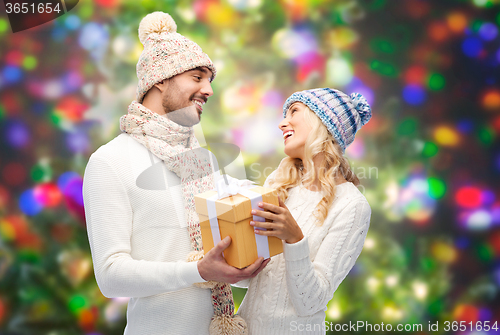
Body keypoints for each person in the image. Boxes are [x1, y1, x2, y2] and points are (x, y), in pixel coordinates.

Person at [82, 12, 268, 335]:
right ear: (161, 79)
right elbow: (110, 276)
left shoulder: (201, 160)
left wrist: (241, 269)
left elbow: (216, 263)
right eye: (197, 77)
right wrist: (196, 270)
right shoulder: (110, 161)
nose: (208, 90)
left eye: (210, 80)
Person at [235, 88, 373, 334]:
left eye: (294, 111)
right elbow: (254, 280)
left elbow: (311, 301)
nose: (282, 123)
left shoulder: (352, 206)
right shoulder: (279, 184)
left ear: (322, 123)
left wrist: (294, 238)